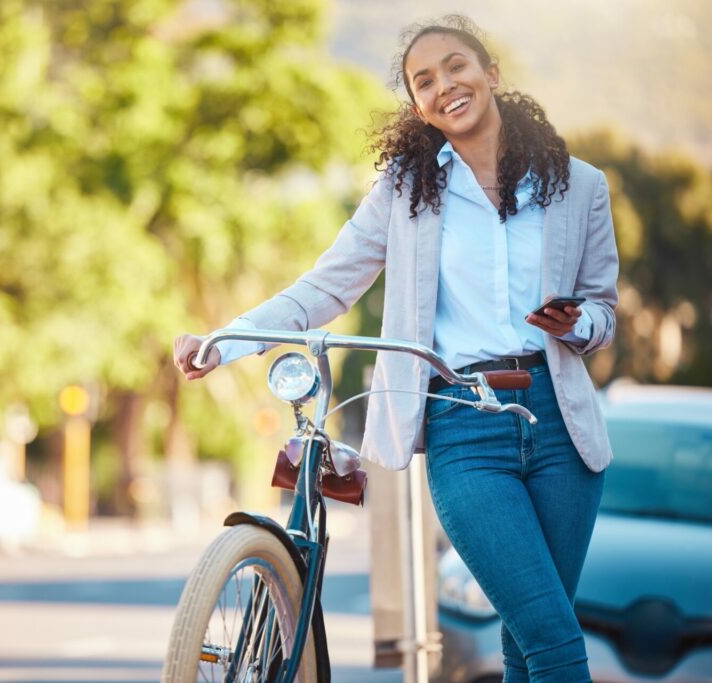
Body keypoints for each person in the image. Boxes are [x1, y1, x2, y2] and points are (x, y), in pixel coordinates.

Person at [173, 15, 617, 683]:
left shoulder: (581, 187)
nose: (445, 86)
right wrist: (224, 341)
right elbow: (324, 287)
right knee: (556, 641)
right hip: (464, 427)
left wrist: (576, 323)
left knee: (528, 644)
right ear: (418, 107)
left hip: (561, 426)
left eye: (456, 67)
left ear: (490, 73)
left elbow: (604, 311)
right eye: (425, 81)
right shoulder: (406, 194)